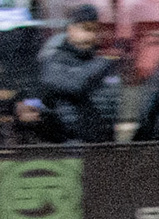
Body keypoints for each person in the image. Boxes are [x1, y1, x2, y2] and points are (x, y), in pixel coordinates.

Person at [38, 4, 119, 143]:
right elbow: (75, 85)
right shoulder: (54, 61)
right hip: (66, 145)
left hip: (101, 145)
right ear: (71, 29)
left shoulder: (102, 64)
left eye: (95, 30)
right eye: (85, 29)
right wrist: (103, 63)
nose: (90, 36)